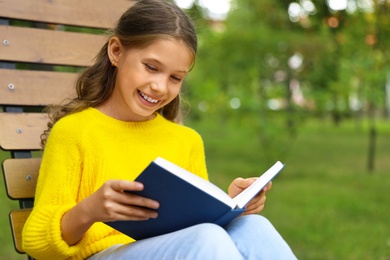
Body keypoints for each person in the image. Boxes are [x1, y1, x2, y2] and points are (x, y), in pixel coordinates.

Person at [22, 0, 297, 259]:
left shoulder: (185, 140)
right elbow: (37, 245)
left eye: (175, 77)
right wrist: (88, 211)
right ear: (116, 51)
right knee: (206, 238)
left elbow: (194, 226)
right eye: (151, 67)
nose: (160, 87)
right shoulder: (74, 132)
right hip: (102, 254)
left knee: (254, 227)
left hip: (175, 249)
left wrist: (231, 207)